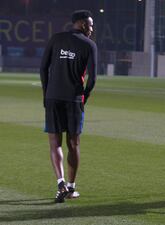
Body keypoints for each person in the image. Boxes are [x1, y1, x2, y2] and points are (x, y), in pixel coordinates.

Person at [40, 10, 97, 203]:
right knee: (73, 144)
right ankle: (71, 188)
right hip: (74, 100)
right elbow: (93, 79)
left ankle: (60, 183)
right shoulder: (89, 45)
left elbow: (42, 68)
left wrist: (46, 93)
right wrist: (84, 98)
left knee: (54, 143)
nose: (92, 29)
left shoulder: (56, 39)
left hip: (53, 97)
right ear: (81, 24)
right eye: (90, 25)